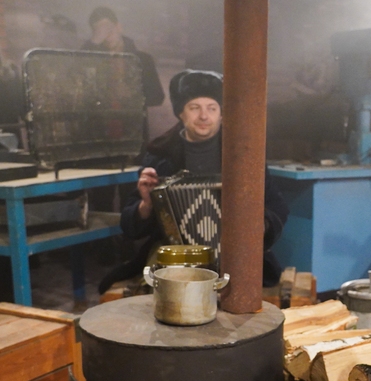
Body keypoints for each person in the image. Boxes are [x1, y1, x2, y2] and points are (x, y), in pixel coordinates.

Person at [103, 69, 288, 292]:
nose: (204, 116)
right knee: (164, 291)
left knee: (241, 292)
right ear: (181, 113)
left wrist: (259, 223)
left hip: (234, 252)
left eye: (212, 108)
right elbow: (130, 227)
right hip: (175, 255)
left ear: (222, 114)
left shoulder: (243, 156)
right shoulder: (160, 155)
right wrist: (146, 204)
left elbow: (277, 206)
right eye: (194, 108)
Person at [82, 6, 164, 109]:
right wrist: (93, 43)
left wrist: (131, 96)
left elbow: (157, 97)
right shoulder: (93, 59)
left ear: (119, 27)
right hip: (99, 117)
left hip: (132, 118)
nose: (106, 36)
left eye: (109, 29)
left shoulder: (143, 59)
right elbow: (75, 78)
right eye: (99, 32)